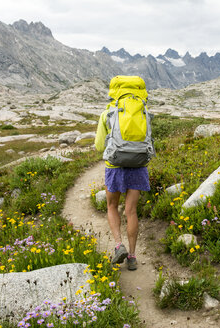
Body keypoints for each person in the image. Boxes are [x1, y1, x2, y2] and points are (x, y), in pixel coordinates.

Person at [94, 76, 151, 270]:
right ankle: (133, 257)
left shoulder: (108, 113)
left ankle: (119, 245)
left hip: (114, 165)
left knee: (112, 206)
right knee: (131, 211)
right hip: (138, 165)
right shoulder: (143, 110)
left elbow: (99, 145)